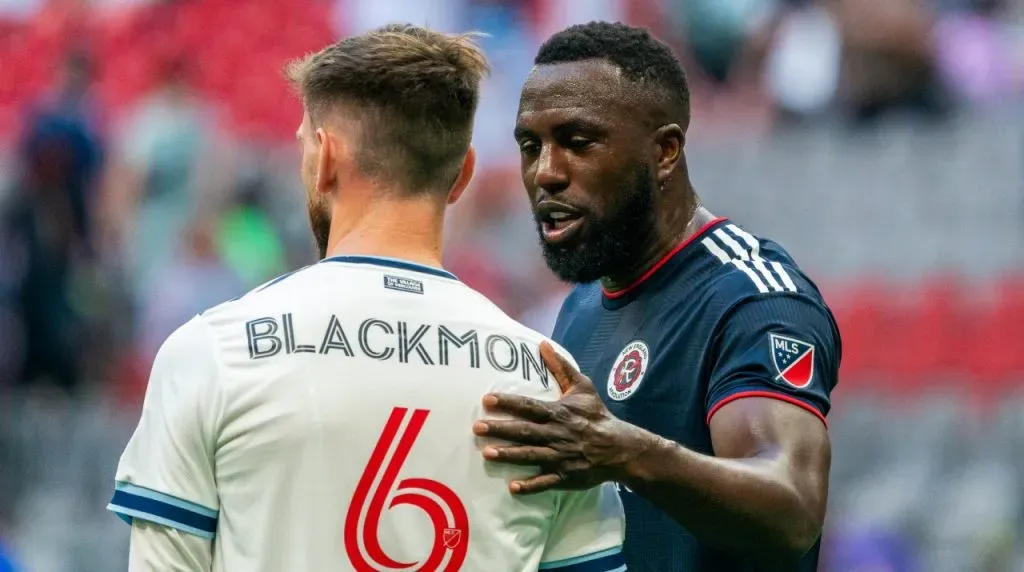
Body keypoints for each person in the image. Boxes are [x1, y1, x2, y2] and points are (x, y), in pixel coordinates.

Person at [106, 25, 626, 572]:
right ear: (462, 175)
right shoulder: (550, 380)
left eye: (306, 142)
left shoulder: (211, 353)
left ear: (325, 158)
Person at [475, 21, 840, 571]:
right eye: (531, 146)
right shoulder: (580, 307)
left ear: (665, 151)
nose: (546, 173)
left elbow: (792, 507)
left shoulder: (754, 299)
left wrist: (625, 452)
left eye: (577, 142)